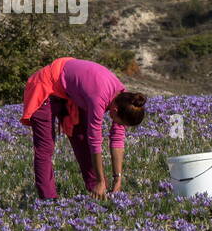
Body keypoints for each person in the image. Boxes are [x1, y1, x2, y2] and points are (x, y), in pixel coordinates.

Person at [20, 57, 146, 199]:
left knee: (81, 139)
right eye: (120, 122)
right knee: (45, 146)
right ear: (115, 111)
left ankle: (98, 192)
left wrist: (118, 179)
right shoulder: (99, 97)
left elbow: (117, 139)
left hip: (68, 93)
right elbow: (95, 141)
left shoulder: (125, 100)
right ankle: (48, 199)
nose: (119, 125)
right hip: (45, 85)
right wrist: (101, 180)